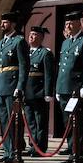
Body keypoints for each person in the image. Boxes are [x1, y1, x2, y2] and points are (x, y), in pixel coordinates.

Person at [0, 12, 30, 163]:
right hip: (1, 86)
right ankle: (7, 150)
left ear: (13, 24)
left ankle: (16, 150)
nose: (2, 25)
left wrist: (20, 86)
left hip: (12, 85)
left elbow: (23, 65)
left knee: (13, 121)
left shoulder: (19, 41)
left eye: (5, 22)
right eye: (2, 22)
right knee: (4, 121)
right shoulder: (0, 43)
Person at [56, 11, 83, 163]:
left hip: (76, 90)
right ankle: (71, 152)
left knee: (79, 123)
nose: (68, 26)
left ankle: (80, 155)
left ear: (78, 23)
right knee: (68, 123)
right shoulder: (65, 43)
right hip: (64, 89)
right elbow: (62, 68)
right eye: (66, 24)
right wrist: (57, 88)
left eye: (71, 23)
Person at [26, 25, 54, 155]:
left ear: (41, 37)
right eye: (30, 34)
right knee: (30, 121)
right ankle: (32, 145)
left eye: (35, 34)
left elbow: (49, 74)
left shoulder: (45, 53)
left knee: (40, 122)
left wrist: (48, 92)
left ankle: (40, 147)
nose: (31, 36)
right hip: (27, 93)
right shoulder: (26, 53)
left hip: (39, 93)